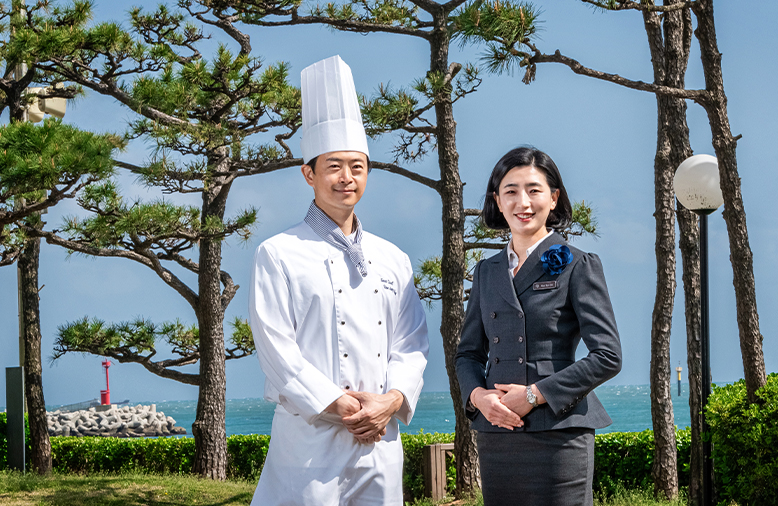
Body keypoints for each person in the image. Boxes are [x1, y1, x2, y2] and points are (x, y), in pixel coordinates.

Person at [248, 55, 429, 506]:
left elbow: (411, 344)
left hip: (380, 439)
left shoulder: (393, 257)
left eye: (357, 166)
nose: (346, 178)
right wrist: (339, 403)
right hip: (309, 441)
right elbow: (276, 349)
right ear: (308, 174)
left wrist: (392, 400)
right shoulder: (278, 252)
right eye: (333, 166)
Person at [455, 146, 623, 506]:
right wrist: (478, 397)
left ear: (554, 197)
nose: (523, 202)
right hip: (497, 430)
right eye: (511, 191)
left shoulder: (578, 265)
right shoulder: (486, 271)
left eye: (534, 190)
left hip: (559, 432)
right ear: (498, 202)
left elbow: (608, 356)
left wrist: (533, 395)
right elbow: (468, 354)